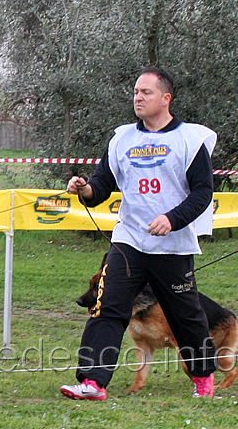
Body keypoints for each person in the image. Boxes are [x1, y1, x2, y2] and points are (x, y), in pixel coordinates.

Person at [61, 67, 218, 401]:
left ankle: (203, 377)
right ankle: (93, 382)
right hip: (128, 241)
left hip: (173, 246)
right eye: (135, 91)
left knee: (186, 316)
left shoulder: (190, 140)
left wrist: (173, 219)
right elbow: (102, 185)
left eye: (146, 92)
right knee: (107, 307)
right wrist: (85, 189)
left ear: (166, 98)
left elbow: (203, 192)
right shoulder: (122, 139)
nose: (138, 97)